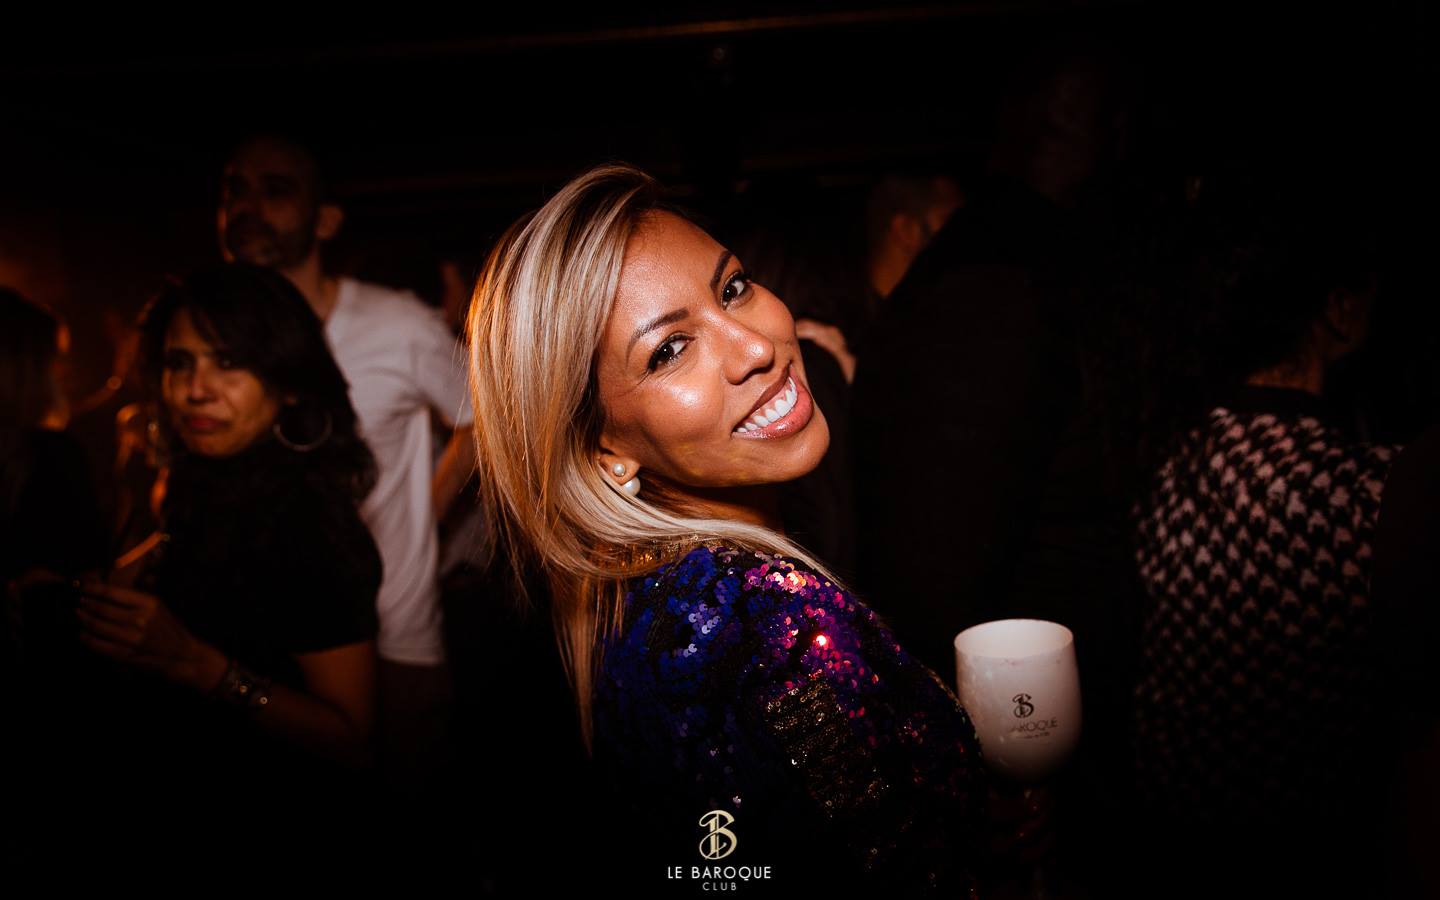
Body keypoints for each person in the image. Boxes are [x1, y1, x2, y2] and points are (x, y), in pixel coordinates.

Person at [465, 163, 992, 895]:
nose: (755, 347)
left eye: (733, 288)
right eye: (669, 350)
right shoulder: (768, 619)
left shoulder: (646, 600)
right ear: (601, 448)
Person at [54, 264, 383, 872]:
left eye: (229, 362)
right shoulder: (199, 481)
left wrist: (197, 665)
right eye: (180, 363)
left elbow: (351, 738)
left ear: (288, 383)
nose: (195, 389)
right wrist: (69, 596)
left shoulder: (311, 525)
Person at [1123, 171, 1397, 898]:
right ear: (1338, 308)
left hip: (1171, 849)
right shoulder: (1367, 493)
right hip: (1312, 856)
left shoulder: (1163, 455)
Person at [217, 133, 473, 813]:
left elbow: (487, 420)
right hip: (258, 637)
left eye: (276, 191)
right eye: (234, 189)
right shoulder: (215, 336)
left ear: (325, 220)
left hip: (392, 636)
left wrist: (426, 513)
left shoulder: (396, 324)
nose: (248, 206)